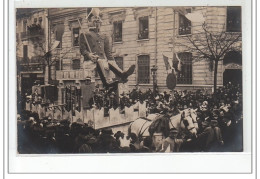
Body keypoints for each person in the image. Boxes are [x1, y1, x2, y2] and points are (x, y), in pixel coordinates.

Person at [80, 8, 135, 90]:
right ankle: (108, 82)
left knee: (109, 63)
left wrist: (113, 63)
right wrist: (89, 55)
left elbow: (108, 53)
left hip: (102, 61)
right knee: (99, 64)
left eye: (98, 19)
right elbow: (82, 50)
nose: (97, 21)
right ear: (89, 21)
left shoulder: (104, 36)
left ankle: (122, 74)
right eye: (94, 19)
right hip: (91, 61)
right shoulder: (84, 35)